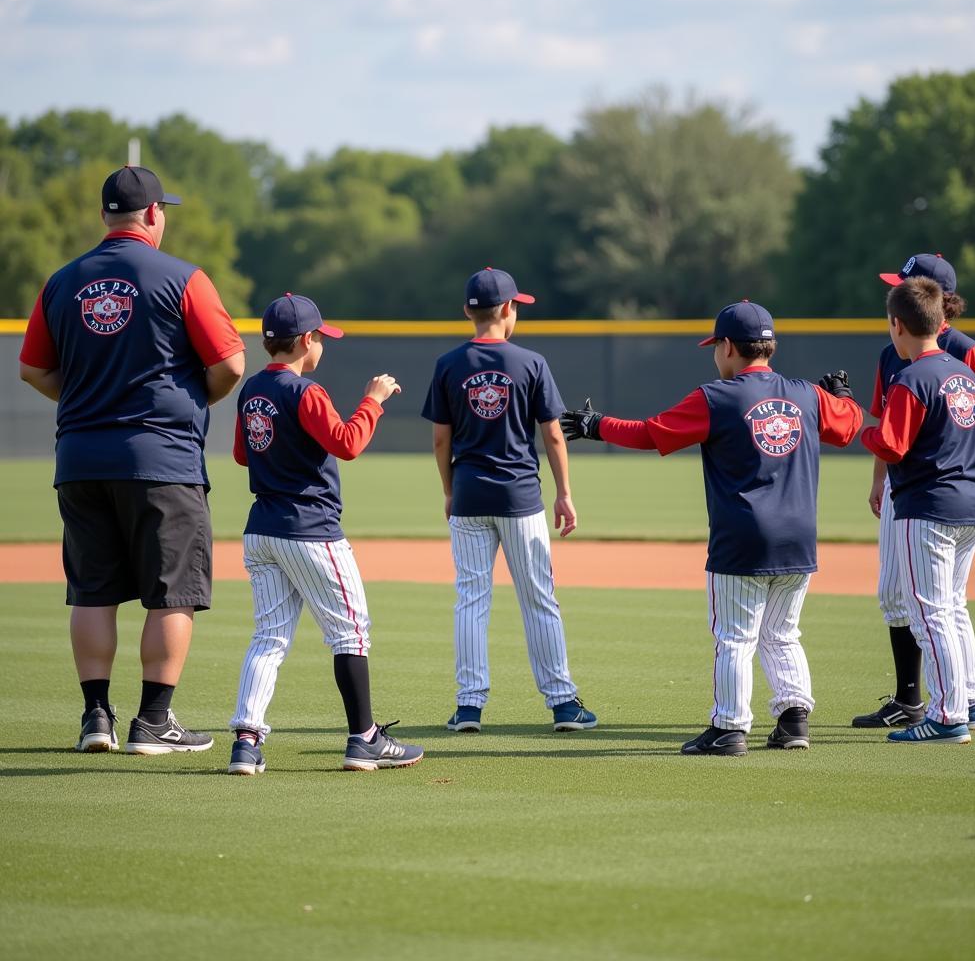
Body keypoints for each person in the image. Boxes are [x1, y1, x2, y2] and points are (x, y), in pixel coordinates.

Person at [561, 301, 863, 756]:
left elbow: (650, 433)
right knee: (782, 633)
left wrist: (595, 425)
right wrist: (840, 398)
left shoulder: (717, 398)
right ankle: (794, 720)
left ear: (727, 347)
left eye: (715, 346)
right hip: (799, 538)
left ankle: (729, 728)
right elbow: (849, 427)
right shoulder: (806, 394)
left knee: (735, 636)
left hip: (742, 538)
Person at [18, 165, 245, 755]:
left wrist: (88, 398)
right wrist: (196, 399)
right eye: (162, 209)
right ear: (151, 215)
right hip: (161, 460)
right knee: (172, 593)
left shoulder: (61, 282)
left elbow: (33, 369)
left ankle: (96, 718)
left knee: (92, 591)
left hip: (81, 458)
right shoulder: (183, 278)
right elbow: (231, 364)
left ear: (104, 217)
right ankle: (153, 721)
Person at [227, 293, 423, 774]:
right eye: (321, 339)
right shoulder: (305, 392)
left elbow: (241, 454)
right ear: (308, 341)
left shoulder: (252, 389)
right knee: (351, 632)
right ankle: (365, 738)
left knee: (268, 637)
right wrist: (372, 402)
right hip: (310, 530)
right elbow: (348, 443)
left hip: (262, 530)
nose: (323, 347)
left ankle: (246, 743)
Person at [421, 267, 597, 734]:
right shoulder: (530, 362)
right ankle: (562, 704)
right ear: (506, 310)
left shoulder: (448, 364)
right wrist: (564, 493)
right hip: (521, 498)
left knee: (471, 600)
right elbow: (554, 437)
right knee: (538, 598)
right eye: (515, 305)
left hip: (470, 495)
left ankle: (469, 708)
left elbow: (441, 440)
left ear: (468, 311)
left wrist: (448, 490)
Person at [853, 254, 975, 732]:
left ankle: (947, 712)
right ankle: (963, 703)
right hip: (958, 491)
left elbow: (890, 437)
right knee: (947, 604)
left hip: (933, 492)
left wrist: (855, 426)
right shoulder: (930, 364)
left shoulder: (949, 358)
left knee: (932, 608)